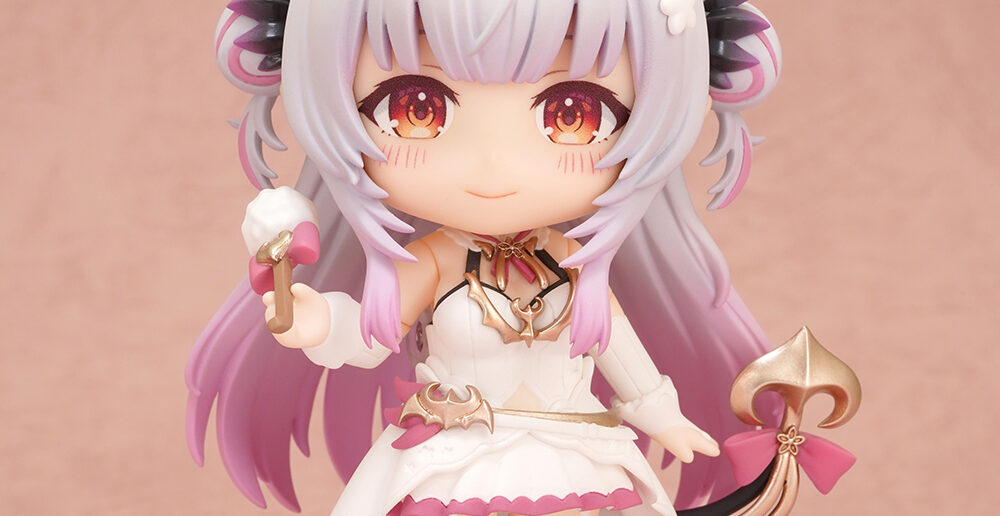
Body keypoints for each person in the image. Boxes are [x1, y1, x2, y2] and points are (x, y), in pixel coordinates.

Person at [187, 1, 783, 514]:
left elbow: (616, 345)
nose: (493, 164)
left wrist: (662, 416)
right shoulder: (433, 262)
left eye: (572, 114)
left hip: (576, 456)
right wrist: (314, 319)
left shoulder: (575, 263)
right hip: (457, 461)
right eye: (416, 107)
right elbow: (369, 335)